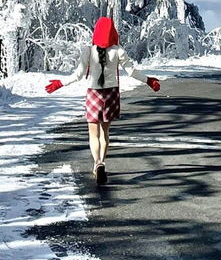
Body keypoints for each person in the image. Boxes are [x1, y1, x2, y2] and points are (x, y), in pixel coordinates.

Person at [45, 17, 161, 185]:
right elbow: (131, 72)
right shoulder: (118, 51)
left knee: (94, 134)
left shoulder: (88, 51)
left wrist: (59, 83)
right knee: (105, 133)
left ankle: (96, 162)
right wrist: (148, 81)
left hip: (93, 95)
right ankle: (101, 163)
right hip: (111, 96)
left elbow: (78, 75)